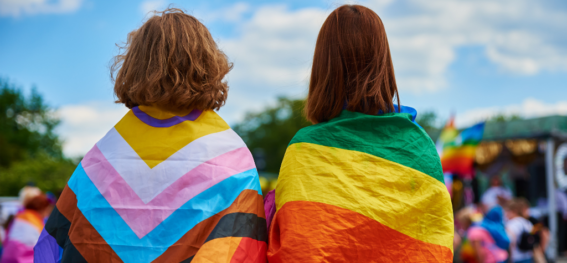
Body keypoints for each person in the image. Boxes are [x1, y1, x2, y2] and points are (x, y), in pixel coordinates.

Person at [34, 8, 266, 263]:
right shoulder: (231, 155)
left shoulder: (102, 157)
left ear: (136, 65)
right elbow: (242, 248)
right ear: (209, 65)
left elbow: (55, 243)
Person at [266, 5, 454, 262]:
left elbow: (300, 250)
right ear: (383, 62)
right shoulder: (420, 147)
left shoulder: (306, 149)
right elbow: (434, 246)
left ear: (324, 67)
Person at [1, 194, 53, 263]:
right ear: (43, 208)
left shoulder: (19, 215)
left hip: (7, 256)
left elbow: (6, 237)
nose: (48, 213)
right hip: (23, 258)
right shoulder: (34, 219)